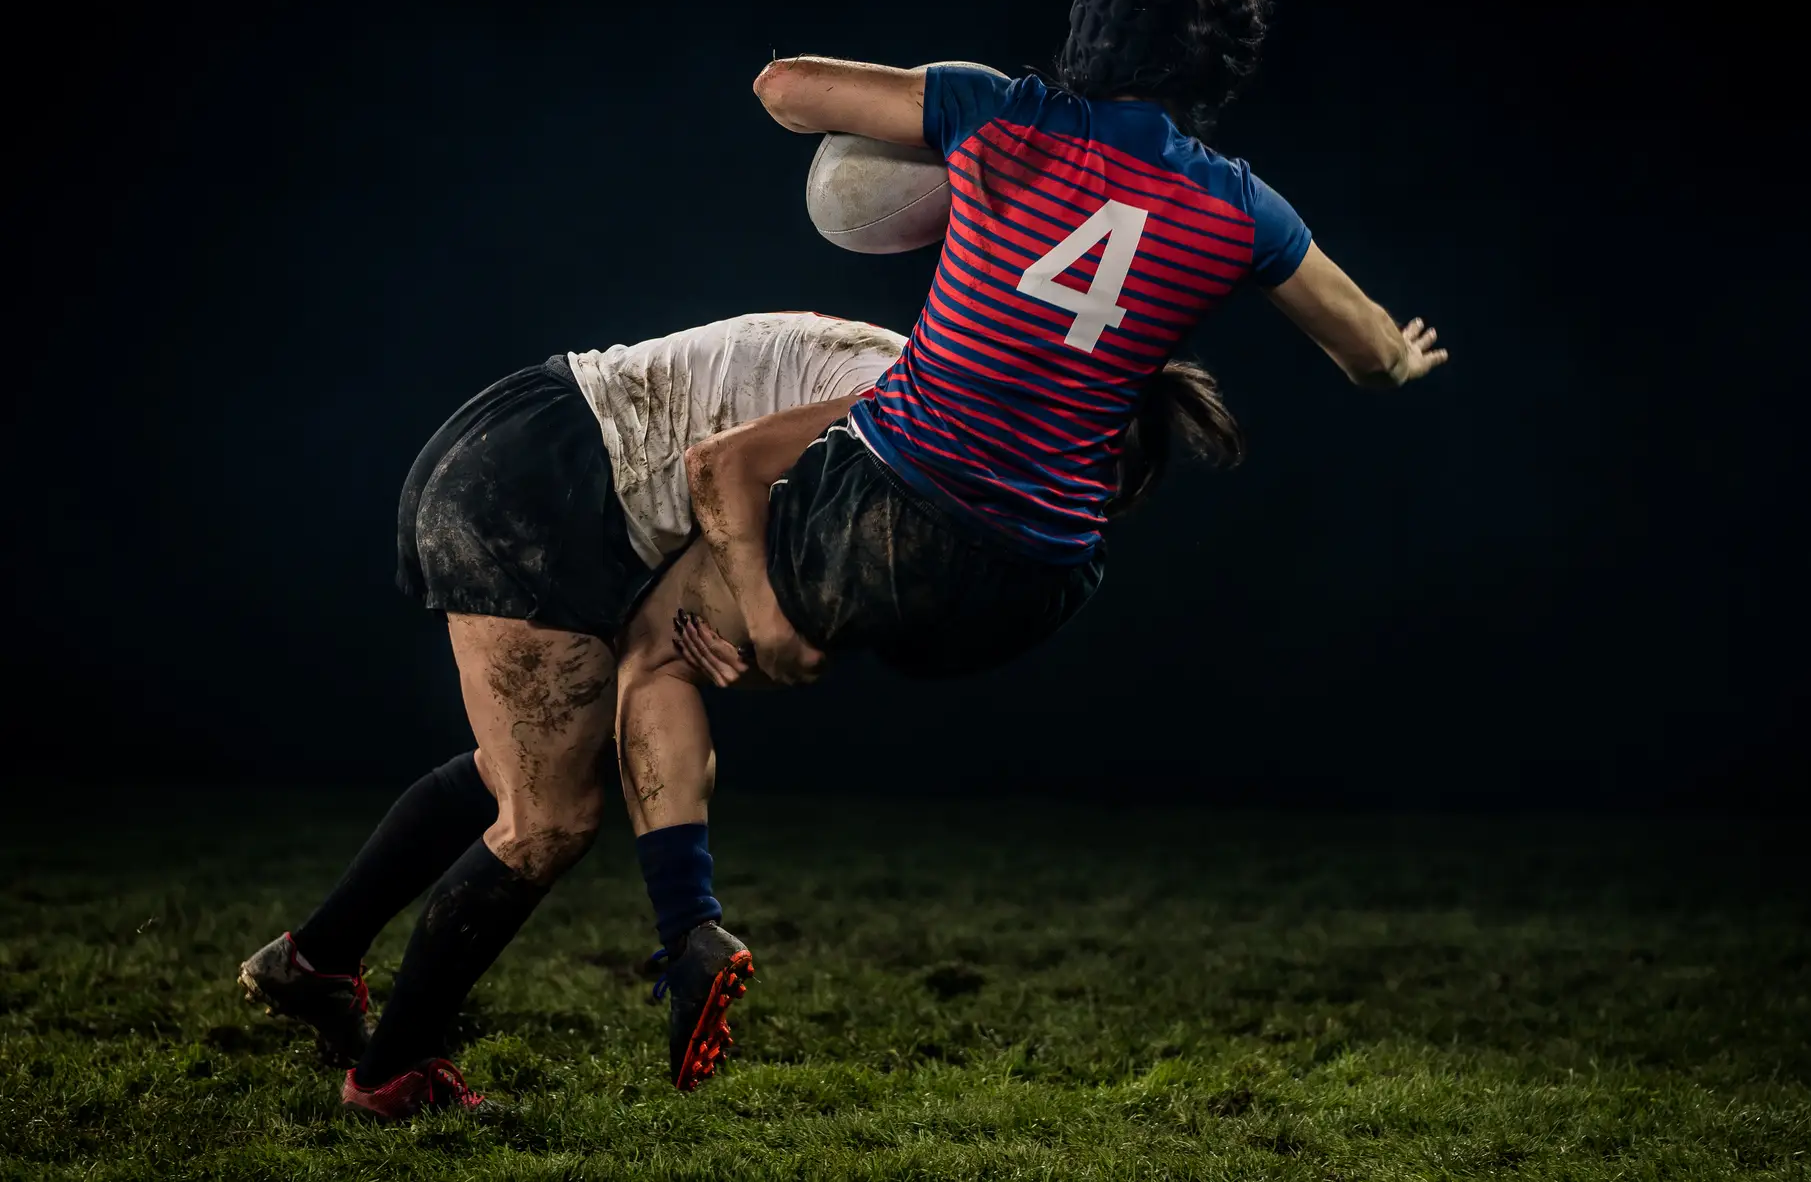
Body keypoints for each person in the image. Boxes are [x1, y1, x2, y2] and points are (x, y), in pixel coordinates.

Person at [234, 311, 1246, 1115]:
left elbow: (720, 558)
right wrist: (765, 613)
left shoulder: (955, 445)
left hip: (576, 480)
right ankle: (390, 1076)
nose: (1078, 486)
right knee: (548, 816)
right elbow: (718, 465)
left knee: (534, 769)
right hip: (541, 475)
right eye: (1096, 458)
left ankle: (310, 962)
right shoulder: (923, 408)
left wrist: (746, 616)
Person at [669, 0, 1447, 703]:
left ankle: (764, 654)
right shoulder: (1245, 212)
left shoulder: (995, 111)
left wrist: (945, 109)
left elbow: (783, 89)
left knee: (657, 656)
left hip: (891, 518)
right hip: (1036, 581)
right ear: (1212, 60)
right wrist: (1404, 360)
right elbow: (1373, 357)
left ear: (1087, 30)